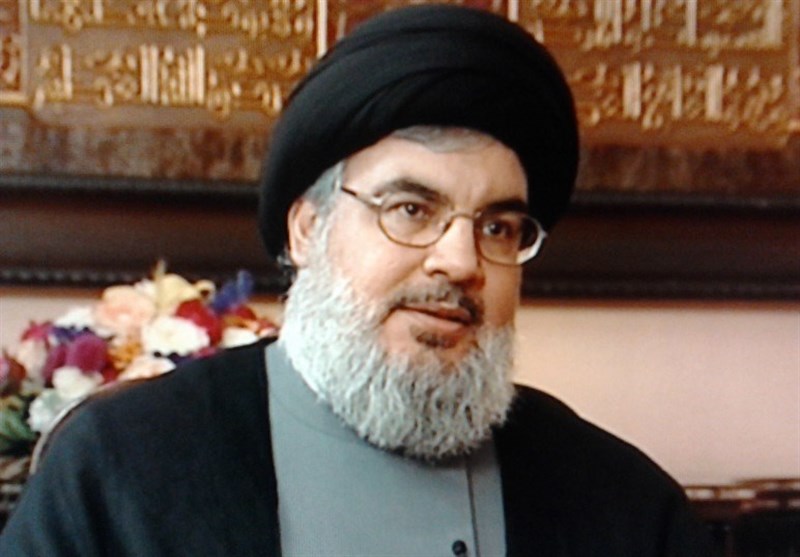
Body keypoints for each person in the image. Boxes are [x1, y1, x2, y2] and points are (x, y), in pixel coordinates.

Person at [0, 5, 712, 556]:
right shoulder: (126, 465)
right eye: (411, 209)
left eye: (497, 227)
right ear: (306, 230)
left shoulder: (622, 503)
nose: (461, 261)